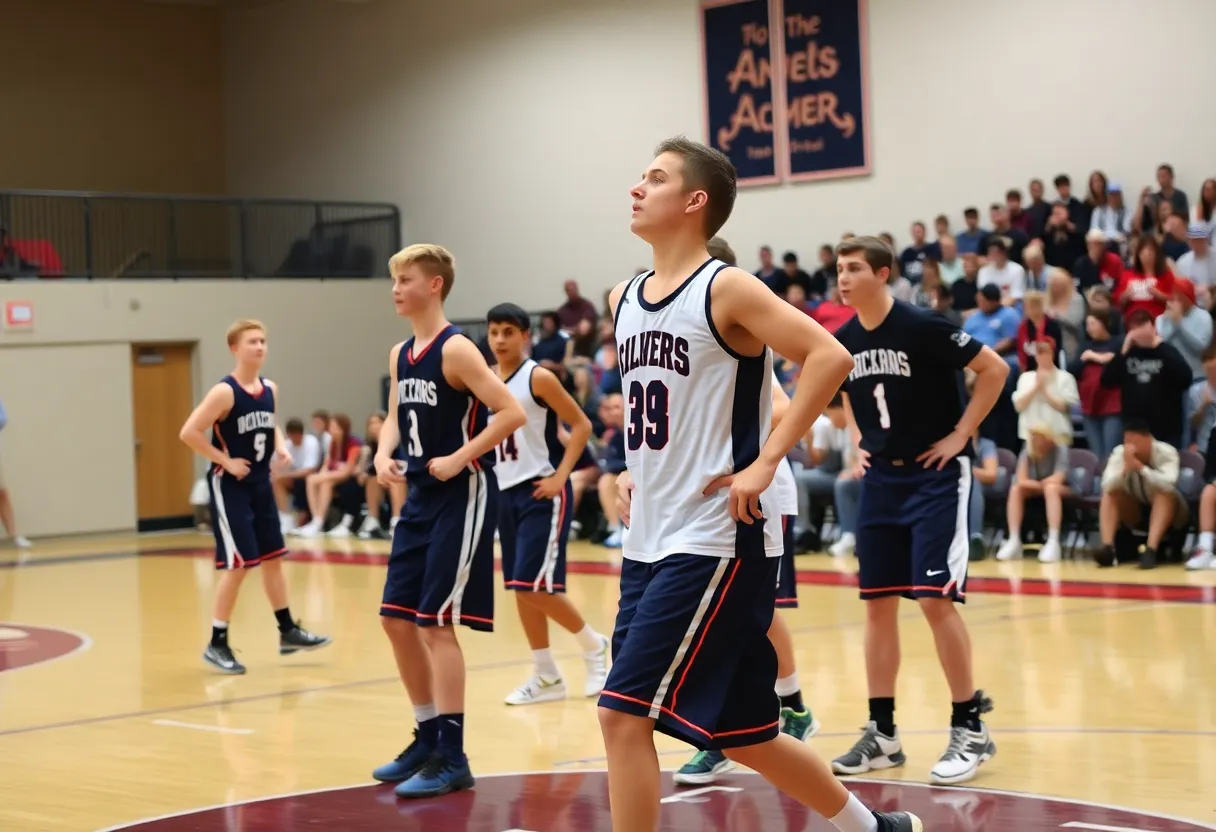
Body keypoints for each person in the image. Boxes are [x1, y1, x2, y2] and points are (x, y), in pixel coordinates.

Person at [599, 138, 922, 832]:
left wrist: (768, 459)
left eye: (654, 178)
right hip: (648, 537)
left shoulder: (726, 288)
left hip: (713, 537)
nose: (636, 187)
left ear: (695, 201)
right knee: (743, 731)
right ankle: (874, 829)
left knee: (622, 715)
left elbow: (829, 357)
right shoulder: (624, 297)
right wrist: (630, 468)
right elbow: (667, 408)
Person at [830, 236, 1009, 786]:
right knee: (877, 605)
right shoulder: (843, 341)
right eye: (839, 269)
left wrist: (961, 434)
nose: (843, 277)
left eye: (854, 268)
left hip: (936, 476)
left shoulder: (922, 325)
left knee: (934, 598)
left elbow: (994, 369)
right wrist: (857, 440)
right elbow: (843, 393)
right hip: (882, 479)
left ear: (883, 273)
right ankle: (882, 733)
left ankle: (970, 726)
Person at [370, 244, 527, 799]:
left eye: (405, 279)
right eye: (394, 280)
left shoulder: (457, 348)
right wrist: (381, 452)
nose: (396, 289)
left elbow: (511, 412)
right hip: (419, 495)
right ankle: (428, 734)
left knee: (435, 623)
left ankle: (453, 756)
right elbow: (396, 414)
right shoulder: (401, 353)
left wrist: (462, 456)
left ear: (434, 285)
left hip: (463, 492)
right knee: (395, 619)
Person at [673, 235, 822, 787]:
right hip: (701, 502)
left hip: (756, 494)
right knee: (746, 616)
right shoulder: (675, 331)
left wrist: (756, 459)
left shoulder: (736, 323)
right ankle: (785, 709)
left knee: (745, 616)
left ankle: (756, 720)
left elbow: (781, 405)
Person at [178, 319, 331, 675]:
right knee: (240, 565)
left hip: (261, 482)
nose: (260, 346)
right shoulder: (224, 392)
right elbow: (189, 432)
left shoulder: (269, 388)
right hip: (230, 485)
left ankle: (287, 631)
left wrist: (281, 446)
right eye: (252, 341)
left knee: (274, 559)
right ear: (235, 348)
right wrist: (225, 460)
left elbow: (269, 421)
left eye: (263, 341)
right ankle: (217, 642)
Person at [483, 302, 611, 705]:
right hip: (505, 491)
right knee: (523, 589)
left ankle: (593, 645)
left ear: (526, 336)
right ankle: (546, 675)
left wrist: (561, 476)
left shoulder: (537, 376)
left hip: (541, 489)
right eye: (494, 332)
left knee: (531, 584)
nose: (500, 339)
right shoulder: (485, 379)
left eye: (508, 332)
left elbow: (582, 425)